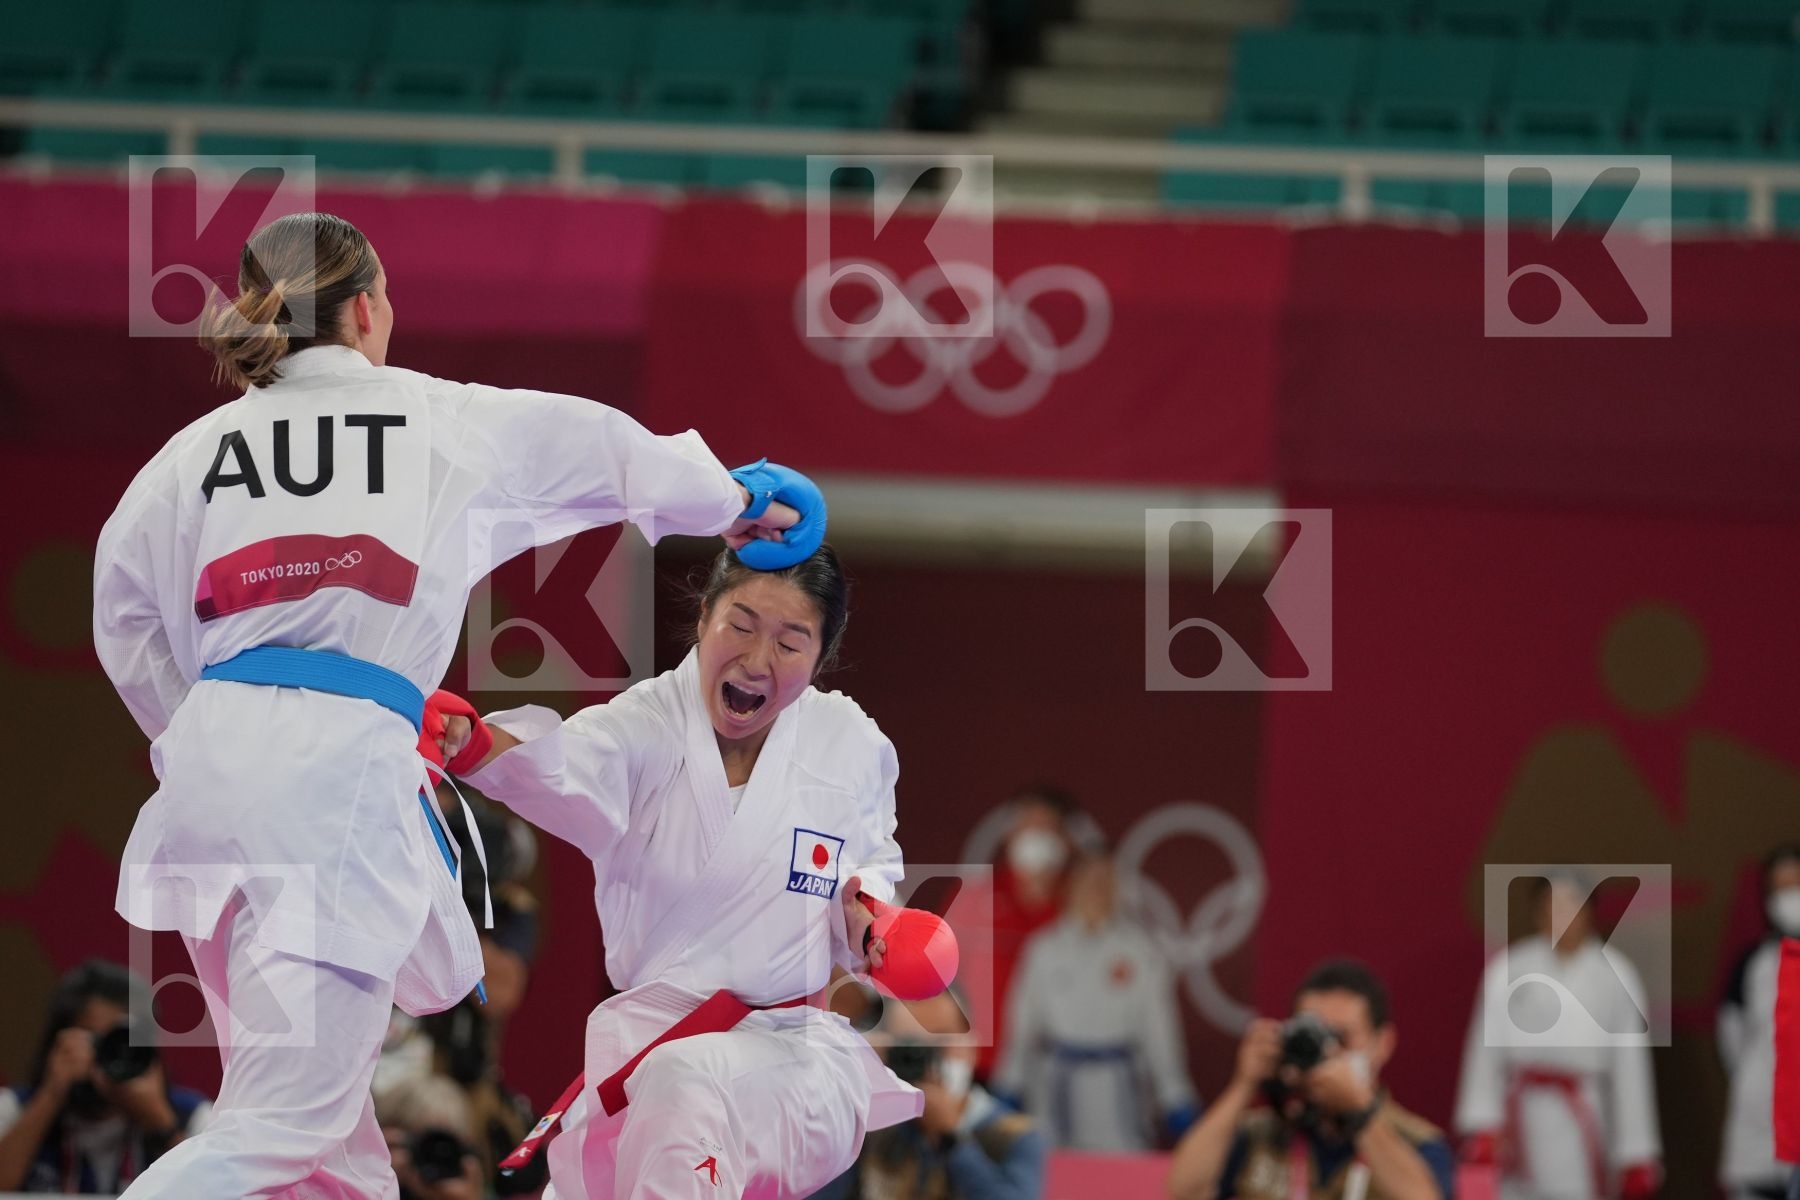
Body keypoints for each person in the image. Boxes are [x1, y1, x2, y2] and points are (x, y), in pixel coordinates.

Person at [93, 211, 815, 1200]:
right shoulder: (432, 418)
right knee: (284, 1130)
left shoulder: (189, 457)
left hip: (211, 786)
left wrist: (207, 733)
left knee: (340, 1165)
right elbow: (597, 449)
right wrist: (729, 499)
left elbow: (124, 620)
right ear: (365, 309)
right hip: (328, 785)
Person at [435, 546, 928, 1199]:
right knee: (668, 1094)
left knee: (686, 1081)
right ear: (703, 618)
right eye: (741, 626)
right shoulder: (647, 726)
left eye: (789, 644)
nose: (757, 660)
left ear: (821, 655)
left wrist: (870, 917)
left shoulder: (850, 745)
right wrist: (471, 743)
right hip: (649, 1055)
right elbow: (565, 763)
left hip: (795, 1060)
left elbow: (870, 863)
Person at [1167, 958, 1453, 1200]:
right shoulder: (1259, 1134)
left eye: (1341, 1037)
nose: (1329, 1052)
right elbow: (1183, 1192)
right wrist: (1243, 1085)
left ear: (1383, 1043)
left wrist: (1361, 1114)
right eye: (1314, 1034)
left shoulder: (1418, 1142)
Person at [1454, 873, 1662, 1200]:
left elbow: (1631, 1067)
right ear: (1538, 913)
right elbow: (1484, 1049)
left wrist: (1635, 1152)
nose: (1562, 916)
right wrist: (1483, 1123)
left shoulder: (1615, 974)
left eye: (1572, 906)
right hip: (1521, 1115)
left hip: (1584, 1113)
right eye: (1552, 907)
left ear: (1589, 913)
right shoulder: (1510, 968)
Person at [993, 850, 1198, 1151]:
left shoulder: (1139, 950)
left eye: (1105, 882)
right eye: (1089, 880)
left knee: (1121, 1170)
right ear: (1070, 886)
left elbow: (1159, 1029)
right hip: (1055, 1088)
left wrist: (1174, 1093)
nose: (1096, 890)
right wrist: (1009, 1081)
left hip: (1118, 1091)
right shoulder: (1044, 949)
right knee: (1053, 1170)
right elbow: (1022, 1025)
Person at [813, 988, 1048, 1200]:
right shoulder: (869, 1127)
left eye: (940, 1044)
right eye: (911, 1048)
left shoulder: (1014, 1135)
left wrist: (951, 1139)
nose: (928, 1064)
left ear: (972, 1048)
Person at [0, 960, 212, 1194]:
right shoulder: (14, 1108)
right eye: (95, 1040)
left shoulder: (192, 1117)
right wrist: (51, 1095)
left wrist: (162, 1125)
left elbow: (217, 1192)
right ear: (58, 1040)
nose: (109, 1055)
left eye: (123, 1041)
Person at [969, 787, 1079, 1078]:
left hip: (1057, 1070)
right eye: (1028, 825)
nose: (1035, 836)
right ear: (1009, 835)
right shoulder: (973, 898)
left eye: (1046, 827)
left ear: (1065, 841)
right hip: (981, 1065)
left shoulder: (1080, 906)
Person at [1721, 845, 1800, 1200]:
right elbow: (1732, 1040)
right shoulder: (1753, 964)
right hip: (1760, 1135)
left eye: (1796, 885)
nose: (1790, 897)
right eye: (1780, 889)